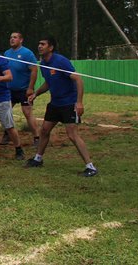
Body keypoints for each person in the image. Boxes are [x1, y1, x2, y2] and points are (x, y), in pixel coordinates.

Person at [25, 36, 98, 177]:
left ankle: (91, 167)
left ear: (51, 47)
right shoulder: (43, 64)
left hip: (69, 104)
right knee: (44, 131)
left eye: (43, 44)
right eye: (39, 44)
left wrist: (79, 102)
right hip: (55, 104)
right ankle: (38, 159)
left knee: (72, 135)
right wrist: (36, 94)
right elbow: (48, 83)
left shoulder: (60, 61)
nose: (39, 46)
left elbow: (78, 79)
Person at [0, 32, 41, 148]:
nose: (12, 39)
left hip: (24, 90)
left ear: (21, 40)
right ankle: (7, 134)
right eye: (11, 37)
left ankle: (37, 138)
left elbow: (34, 70)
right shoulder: (7, 53)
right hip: (9, 89)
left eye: (15, 37)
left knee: (27, 112)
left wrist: (30, 88)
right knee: (6, 113)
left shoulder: (27, 53)